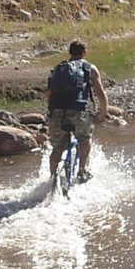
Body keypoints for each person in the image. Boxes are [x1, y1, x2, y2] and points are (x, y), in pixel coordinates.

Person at [47, 39, 109, 183]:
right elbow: (100, 93)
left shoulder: (59, 68)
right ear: (85, 53)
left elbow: (49, 94)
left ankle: (52, 179)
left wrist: (53, 112)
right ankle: (82, 171)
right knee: (85, 138)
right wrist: (103, 111)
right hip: (77, 110)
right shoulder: (89, 68)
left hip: (56, 110)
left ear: (69, 52)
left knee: (57, 148)